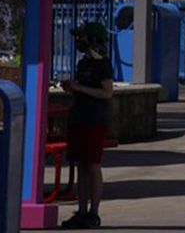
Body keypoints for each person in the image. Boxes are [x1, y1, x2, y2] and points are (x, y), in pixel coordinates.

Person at [59, 23, 115, 229]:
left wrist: (79, 87)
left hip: (94, 120)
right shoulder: (83, 63)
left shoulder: (104, 65)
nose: (79, 42)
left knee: (92, 165)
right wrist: (71, 88)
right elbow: (82, 90)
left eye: (82, 38)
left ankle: (94, 212)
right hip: (79, 117)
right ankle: (81, 211)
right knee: (81, 165)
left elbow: (107, 92)